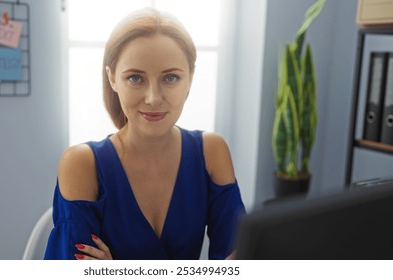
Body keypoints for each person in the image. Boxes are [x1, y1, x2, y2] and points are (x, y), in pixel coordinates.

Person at [44, 7, 246, 260]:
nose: (153, 99)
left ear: (190, 79)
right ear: (113, 78)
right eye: (135, 79)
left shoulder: (212, 151)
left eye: (170, 78)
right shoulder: (81, 163)